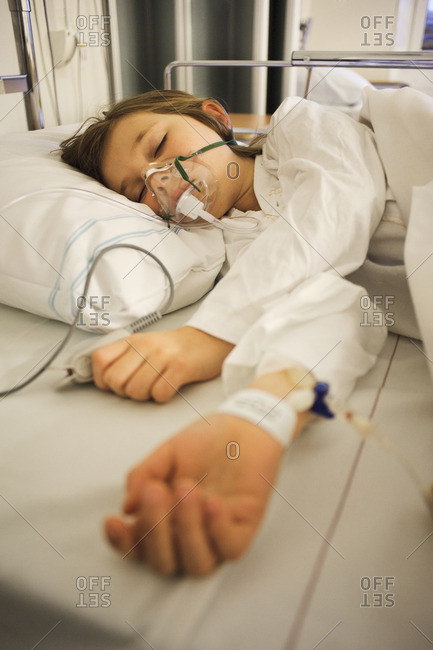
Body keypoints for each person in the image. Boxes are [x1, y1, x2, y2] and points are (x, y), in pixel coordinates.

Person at [60, 87, 393, 576]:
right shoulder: (235, 250)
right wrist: (261, 411)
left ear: (213, 117)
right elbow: (337, 304)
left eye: (157, 147)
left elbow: (341, 197)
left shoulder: (296, 128)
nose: (160, 181)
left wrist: (208, 337)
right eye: (138, 192)